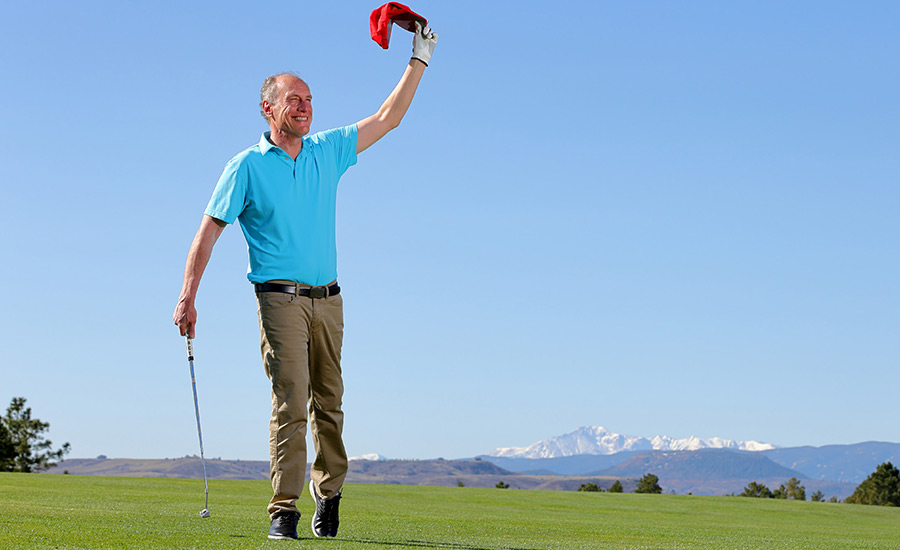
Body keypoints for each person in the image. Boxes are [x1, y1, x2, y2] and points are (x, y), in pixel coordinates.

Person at [173, 23, 437, 541]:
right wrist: (188, 296)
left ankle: (330, 494)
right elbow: (207, 234)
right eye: (294, 99)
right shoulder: (245, 167)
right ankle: (284, 509)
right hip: (280, 299)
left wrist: (419, 59)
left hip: (329, 300)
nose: (305, 107)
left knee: (330, 402)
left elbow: (389, 118)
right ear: (268, 109)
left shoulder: (327, 151)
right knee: (291, 400)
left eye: (310, 99)